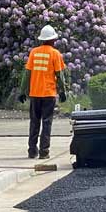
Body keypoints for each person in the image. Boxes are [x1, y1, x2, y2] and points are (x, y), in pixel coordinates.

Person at [18, 25, 67, 159]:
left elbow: (27, 74)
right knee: (46, 123)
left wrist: (22, 91)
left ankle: (32, 150)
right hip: (49, 94)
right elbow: (60, 75)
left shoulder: (34, 52)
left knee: (34, 122)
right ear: (52, 40)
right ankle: (44, 152)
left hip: (35, 94)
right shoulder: (55, 54)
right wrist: (63, 91)